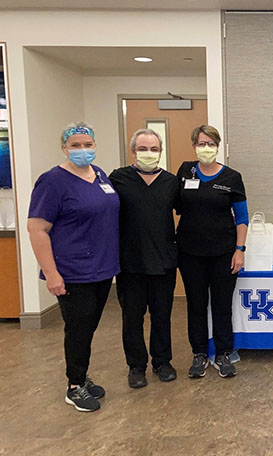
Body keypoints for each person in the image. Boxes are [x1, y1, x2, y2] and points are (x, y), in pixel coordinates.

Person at [27, 122, 119, 412]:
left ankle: (83, 375)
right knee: (78, 329)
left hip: (101, 267)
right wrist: (52, 274)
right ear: (64, 147)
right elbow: (37, 229)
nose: (82, 150)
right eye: (75, 145)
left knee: (89, 327)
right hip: (73, 271)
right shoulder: (52, 181)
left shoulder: (100, 174)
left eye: (87, 144)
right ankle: (75, 385)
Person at [109, 129, 180, 389]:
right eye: (143, 149)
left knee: (162, 316)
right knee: (132, 317)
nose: (148, 154)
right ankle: (136, 366)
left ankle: (162, 362)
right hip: (130, 263)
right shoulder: (118, 179)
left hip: (163, 261)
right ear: (133, 151)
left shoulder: (171, 182)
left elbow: (187, 213)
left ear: (161, 152)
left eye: (154, 149)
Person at [176, 125, 248, 379]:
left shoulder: (232, 177)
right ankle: (199, 354)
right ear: (194, 145)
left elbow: (242, 218)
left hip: (223, 252)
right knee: (195, 304)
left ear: (218, 146)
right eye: (201, 143)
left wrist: (239, 250)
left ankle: (223, 353)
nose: (205, 148)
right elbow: (174, 206)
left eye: (210, 143)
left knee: (221, 305)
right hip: (190, 253)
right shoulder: (186, 171)